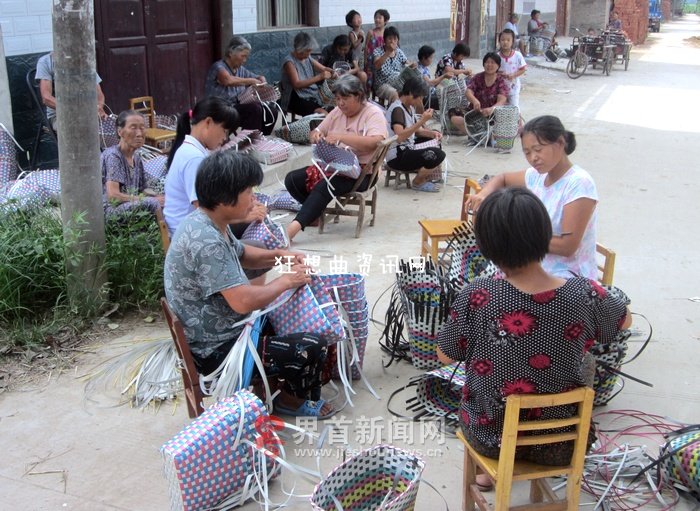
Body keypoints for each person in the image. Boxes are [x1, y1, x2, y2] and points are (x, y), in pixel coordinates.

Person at [437, 187, 631, 486]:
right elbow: (624, 320)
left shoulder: (477, 295)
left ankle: (493, 471)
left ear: (486, 245)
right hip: (560, 442)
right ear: (543, 236)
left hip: (491, 435)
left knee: (479, 371)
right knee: (587, 360)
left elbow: (445, 355)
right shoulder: (585, 292)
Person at [164, 151, 335, 419]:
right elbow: (242, 301)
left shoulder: (208, 221)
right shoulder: (206, 241)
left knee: (295, 318)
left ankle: (274, 384)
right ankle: (289, 402)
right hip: (218, 349)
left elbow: (242, 252)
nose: (254, 198)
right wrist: (286, 281)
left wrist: (282, 255)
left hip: (223, 328)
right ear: (224, 196)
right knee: (312, 345)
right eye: (248, 192)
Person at [464, 115, 599, 280]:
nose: (533, 158)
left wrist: (516, 238)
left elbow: (567, 246)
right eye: (527, 152)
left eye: (538, 149)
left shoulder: (579, 184)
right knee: (474, 274)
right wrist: (483, 194)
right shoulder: (538, 176)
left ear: (561, 143)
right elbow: (503, 178)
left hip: (566, 276)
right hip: (532, 267)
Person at [284, 75, 387, 241]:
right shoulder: (337, 112)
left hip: (362, 173)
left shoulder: (373, 113)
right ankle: (313, 214)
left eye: (345, 98)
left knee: (325, 186)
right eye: (338, 98)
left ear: (359, 96)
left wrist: (341, 136)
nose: (340, 103)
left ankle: (291, 231)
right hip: (334, 167)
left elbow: (375, 142)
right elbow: (317, 131)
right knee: (292, 179)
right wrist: (316, 136)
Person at [163, 96, 264, 237]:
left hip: (191, 228)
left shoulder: (194, 150)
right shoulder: (194, 158)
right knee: (256, 226)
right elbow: (203, 210)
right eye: (224, 130)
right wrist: (244, 217)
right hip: (189, 235)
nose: (225, 138)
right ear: (208, 122)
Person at [204, 36, 278, 135]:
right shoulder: (218, 67)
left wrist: (262, 80)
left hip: (236, 107)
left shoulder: (240, 69)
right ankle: (248, 144)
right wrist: (251, 81)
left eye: (246, 57)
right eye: (243, 56)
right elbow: (228, 80)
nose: (244, 60)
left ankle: (261, 140)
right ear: (231, 53)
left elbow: (258, 77)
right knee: (254, 109)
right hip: (221, 108)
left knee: (271, 111)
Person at [385, 78, 445, 192]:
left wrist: (432, 134)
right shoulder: (397, 109)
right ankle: (417, 182)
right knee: (437, 154)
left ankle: (426, 176)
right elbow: (400, 137)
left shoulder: (409, 107)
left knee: (436, 144)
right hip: (398, 155)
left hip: (407, 148)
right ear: (412, 94)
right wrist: (421, 121)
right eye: (420, 97)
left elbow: (417, 131)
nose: (420, 101)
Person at [101, 110, 164, 217]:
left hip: (130, 206)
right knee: (153, 203)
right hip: (110, 210)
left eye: (142, 128)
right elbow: (113, 196)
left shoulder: (137, 158)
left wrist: (161, 197)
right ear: (120, 132)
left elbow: (142, 189)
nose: (139, 134)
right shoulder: (114, 156)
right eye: (133, 128)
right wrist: (151, 200)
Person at [35, 52, 106, 131]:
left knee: (115, 126)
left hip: (87, 112)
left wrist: (99, 107)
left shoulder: (84, 61)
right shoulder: (46, 62)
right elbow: (46, 98)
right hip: (59, 115)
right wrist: (77, 110)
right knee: (81, 129)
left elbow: (99, 94)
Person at [449, 52, 508, 135]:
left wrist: (492, 108)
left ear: (498, 66)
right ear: (483, 64)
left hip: (492, 114)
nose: (489, 65)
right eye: (487, 62)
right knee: (453, 112)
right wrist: (474, 101)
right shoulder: (477, 77)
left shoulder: (501, 81)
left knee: (504, 118)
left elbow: (502, 100)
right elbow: (468, 92)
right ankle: (475, 134)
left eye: (492, 63)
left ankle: (483, 133)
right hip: (476, 111)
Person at [281, 32, 333, 117]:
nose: (309, 54)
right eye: (307, 51)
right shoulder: (289, 62)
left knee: (335, 106)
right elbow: (297, 84)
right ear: (299, 49)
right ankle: (321, 128)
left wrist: (332, 72)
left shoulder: (307, 58)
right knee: (322, 114)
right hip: (295, 97)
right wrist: (320, 76)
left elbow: (323, 68)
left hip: (310, 94)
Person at [372, 26, 414, 103]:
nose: (392, 41)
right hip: (383, 85)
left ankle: (412, 113)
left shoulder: (398, 51)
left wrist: (412, 65)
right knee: (394, 94)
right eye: (390, 39)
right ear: (384, 40)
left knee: (414, 90)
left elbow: (407, 62)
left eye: (395, 39)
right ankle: (396, 113)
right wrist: (388, 52)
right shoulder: (377, 51)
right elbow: (376, 66)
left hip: (399, 82)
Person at [497, 29, 527, 107]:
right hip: (499, 87)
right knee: (500, 107)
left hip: (514, 87)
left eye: (508, 40)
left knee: (514, 107)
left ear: (512, 41)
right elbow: (493, 71)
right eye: (503, 40)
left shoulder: (518, 55)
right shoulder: (497, 56)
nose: (505, 42)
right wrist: (500, 74)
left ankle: (518, 119)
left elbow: (523, 69)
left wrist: (513, 75)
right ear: (499, 41)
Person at [417, 45, 452, 110]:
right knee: (449, 99)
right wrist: (443, 76)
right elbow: (430, 83)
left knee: (449, 91)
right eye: (431, 58)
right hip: (427, 98)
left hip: (432, 93)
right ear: (424, 58)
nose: (432, 60)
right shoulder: (419, 69)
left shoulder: (424, 67)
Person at [364, 8, 390, 92]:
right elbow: (366, 48)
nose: (377, 20)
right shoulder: (371, 32)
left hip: (381, 62)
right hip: (370, 62)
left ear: (386, 20)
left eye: (379, 18)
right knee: (369, 83)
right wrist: (365, 62)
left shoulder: (387, 34)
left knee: (379, 85)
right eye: (375, 18)